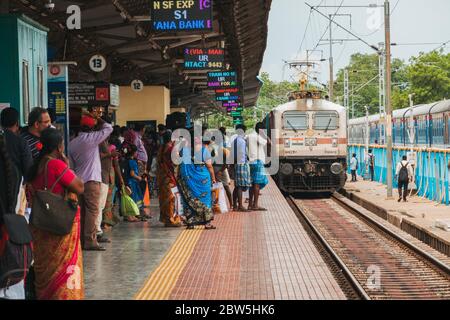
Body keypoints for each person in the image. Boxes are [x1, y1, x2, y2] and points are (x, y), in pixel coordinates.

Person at [28, 128, 85, 300]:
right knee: (65, 265)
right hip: (60, 225)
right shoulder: (56, 165)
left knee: (45, 267)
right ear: (59, 147)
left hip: (39, 225)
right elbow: (79, 187)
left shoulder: (36, 165)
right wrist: (67, 165)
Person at [69, 114, 113, 251]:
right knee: (93, 211)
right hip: (92, 181)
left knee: (81, 211)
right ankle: (90, 241)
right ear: (92, 128)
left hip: (78, 182)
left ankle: (81, 240)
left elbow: (71, 166)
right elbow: (108, 128)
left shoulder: (72, 143)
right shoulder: (92, 139)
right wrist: (98, 118)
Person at [177, 130, 216, 230]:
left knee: (188, 200)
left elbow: (179, 162)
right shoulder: (203, 150)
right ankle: (207, 223)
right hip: (203, 179)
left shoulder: (184, 150)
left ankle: (190, 223)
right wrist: (213, 178)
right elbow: (209, 166)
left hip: (188, 179)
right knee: (205, 200)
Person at [157, 130, 181, 227]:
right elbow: (177, 162)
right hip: (169, 177)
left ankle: (165, 218)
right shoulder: (171, 149)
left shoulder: (161, 148)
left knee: (164, 198)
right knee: (171, 199)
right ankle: (170, 220)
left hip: (162, 177)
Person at [247, 122, 269, 211]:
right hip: (258, 162)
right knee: (257, 184)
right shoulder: (257, 136)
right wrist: (264, 134)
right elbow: (269, 142)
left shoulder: (249, 136)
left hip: (251, 162)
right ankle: (255, 205)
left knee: (252, 184)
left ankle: (250, 204)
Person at [230, 124, 252, 212]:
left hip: (236, 164)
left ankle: (235, 205)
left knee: (237, 186)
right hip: (241, 164)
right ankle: (240, 206)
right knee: (240, 186)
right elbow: (243, 154)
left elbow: (232, 154)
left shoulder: (234, 141)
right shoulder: (242, 141)